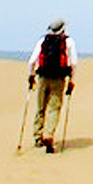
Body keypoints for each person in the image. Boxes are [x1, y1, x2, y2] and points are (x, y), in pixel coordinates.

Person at [27, 19, 77, 153]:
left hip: (43, 77)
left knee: (40, 107)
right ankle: (49, 135)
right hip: (59, 79)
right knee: (54, 108)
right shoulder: (68, 42)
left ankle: (37, 138)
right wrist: (71, 81)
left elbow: (32, 61)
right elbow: (73, 63)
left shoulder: (43, 40)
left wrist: (31, 76)